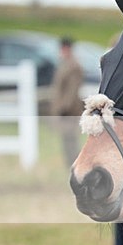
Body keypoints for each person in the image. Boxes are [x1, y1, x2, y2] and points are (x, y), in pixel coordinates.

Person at [49, 36, 84, 168]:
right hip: (64, 110)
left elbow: (72, 89)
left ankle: (74, 164)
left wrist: (64, 107)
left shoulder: (74, 66)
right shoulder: (65, 64)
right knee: (66, 140)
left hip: (70, 110)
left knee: (71, 141)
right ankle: (70, 164)